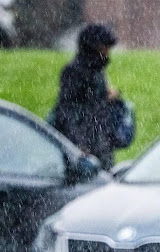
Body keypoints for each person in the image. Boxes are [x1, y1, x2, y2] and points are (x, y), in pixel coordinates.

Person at [52, 23, 119, 170]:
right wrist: (78, 143)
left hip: (101, 142)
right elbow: (67, 110)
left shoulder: (98, 71)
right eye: (105, 47)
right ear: (94, 47)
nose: (108, 52)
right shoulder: (73, 72)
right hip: (84, 145)